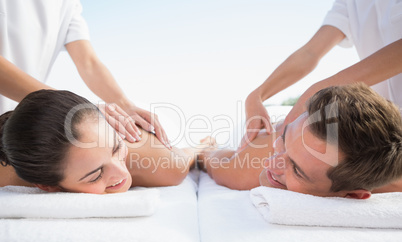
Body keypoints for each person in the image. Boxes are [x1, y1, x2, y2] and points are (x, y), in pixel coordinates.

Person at [0, 0, 170, 148]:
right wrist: (77, 108)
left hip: (15, 121)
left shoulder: (67, 4)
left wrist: (124, 105)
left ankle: (194, 152)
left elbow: (88, 63)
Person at [239, 0, 402, 150]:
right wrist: (256, 96)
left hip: (388, 133)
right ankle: (212, 150)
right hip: (384, 129)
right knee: (265, 140)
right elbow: (310, 53)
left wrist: (317, 91)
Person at [198, 83, 402, 199]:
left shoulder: (362, 171)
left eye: (296, 170)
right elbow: (211, 160)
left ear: (354, 194)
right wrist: (208, 150)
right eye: (284, 140)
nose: (270, 163)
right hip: (272, 124)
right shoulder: (249, 165)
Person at [0, 90, 197, 194]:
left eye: (116, 149)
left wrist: (201, 148)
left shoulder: (162, 166)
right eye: (95, 176)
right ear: (46, 186)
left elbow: (185, 157)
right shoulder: (16, 173)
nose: (122, 173)